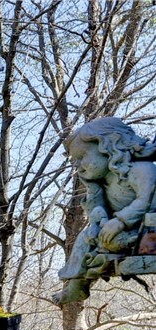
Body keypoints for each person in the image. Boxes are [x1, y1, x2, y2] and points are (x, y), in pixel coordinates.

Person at [54, 117, 156, 305]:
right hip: (122, 231)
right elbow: (98, 210)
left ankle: (119, 244)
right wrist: (98, 213)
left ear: (107, 147)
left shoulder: (141, 169)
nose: (77, 165)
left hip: (147, 229)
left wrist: (119, 221)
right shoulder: (105, 181)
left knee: (107, 241)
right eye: (74, 161)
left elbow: (144, 201)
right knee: (86, 237)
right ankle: (76, 286)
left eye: (81, 157)